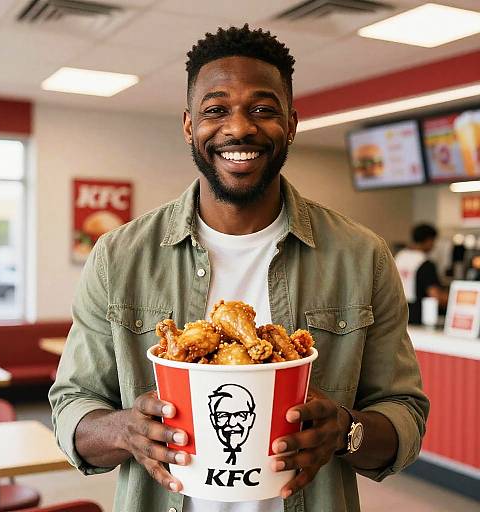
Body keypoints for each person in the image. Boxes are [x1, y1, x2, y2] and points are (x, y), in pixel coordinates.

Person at [50, 25, 429, 512]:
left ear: (290, 124)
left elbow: (405, 416)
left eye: (262, 109)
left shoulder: (362, 256)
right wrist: (124, 430)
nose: (239, 128)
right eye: (215, 110)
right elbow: (70, 408)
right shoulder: (119, 256)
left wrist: (345, 432)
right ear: (190, 125)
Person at [394, 223, 448, 324]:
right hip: (417, 315)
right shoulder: (425, 263)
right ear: (428, 240)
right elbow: (435, 295)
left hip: (396, 313)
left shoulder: (399, 257)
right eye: (433, 241)